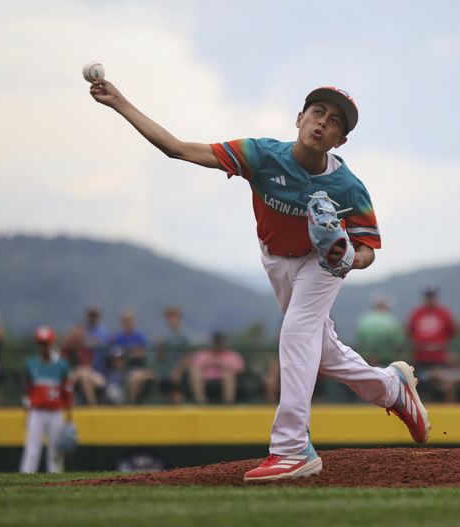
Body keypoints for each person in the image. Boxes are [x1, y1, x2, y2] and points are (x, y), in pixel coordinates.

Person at [90, 79, 430, 481]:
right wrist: (119, 102)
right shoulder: (261, 154)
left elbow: (369, 250)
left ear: (341, 140)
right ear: (300, 118)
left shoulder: (348, 187)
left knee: (296, 331)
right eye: (318, 112)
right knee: (320, 351)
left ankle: (291, 448)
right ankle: (392, 388)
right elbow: (176, 148)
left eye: (335, 121)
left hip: (321, 262)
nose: (323, 123)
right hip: (277, 260)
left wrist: (347, 258)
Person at [20, 326, 72, 474]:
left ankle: (56, 478)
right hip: (37, 411)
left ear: (51, 343)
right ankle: (26, 476)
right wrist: (26, 410)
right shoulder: (31, 364)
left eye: (46, 343)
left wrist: (69, 416)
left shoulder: (62, 365)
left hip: (56, 412)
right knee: (32, 448)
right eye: (41, 343)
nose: (43, 347)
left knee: (55, 450)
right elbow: (27, 388)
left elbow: (67, 391)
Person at [407, 287, 457, 372]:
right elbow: (410, 331)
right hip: (420, 358)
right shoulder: (416, 313)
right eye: (427, 297)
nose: (429, 299)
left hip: (439, 358)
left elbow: (451, 331)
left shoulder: (444, 313)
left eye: (431, 296)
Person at [189, 332, 245, 404]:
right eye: (216, 342)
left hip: (225, 380)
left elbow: (241, 369)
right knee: (196, 375)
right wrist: (207, 364)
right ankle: (201, 403)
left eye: (219, 342)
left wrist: (223, 365)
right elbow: (194, 367)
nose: (217, 344)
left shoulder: (232, 355)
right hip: (205, 380)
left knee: (228, 375)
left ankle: (228, 404)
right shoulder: (203, 355)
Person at [111, 311, 154, 404]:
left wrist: (133, 353)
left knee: (146, 376)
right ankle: (131, 403)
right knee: (135, 378)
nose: (128, 324)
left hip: (140, 367)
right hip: (127, 369)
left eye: (130, 321)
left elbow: (143, 353)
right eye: (126, 322)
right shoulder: (119, 338)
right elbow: (117, 356)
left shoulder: (140, 337)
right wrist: (131, 353)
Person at [355, 296, 406, 367]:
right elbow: (398, 342)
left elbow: (359, 341)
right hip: (386, 360)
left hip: (367, 361)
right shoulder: (391, 321)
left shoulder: (364, 320)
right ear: (387, 306)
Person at [156, 307, 191, 404]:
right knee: (165, 399)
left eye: (175, 318)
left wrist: (178, 372)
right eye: (170, 318)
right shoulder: (163, 337)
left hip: (177, 374)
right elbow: (160, 358)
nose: (172, 321)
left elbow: (186, 357)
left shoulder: (183, 338)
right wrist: (159, 349)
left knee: (177, 397)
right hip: (164, 374)